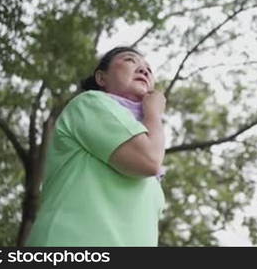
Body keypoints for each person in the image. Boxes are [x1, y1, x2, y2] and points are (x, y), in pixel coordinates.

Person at [25, 46, 166, 246]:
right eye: (130, 60)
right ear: (101, 78)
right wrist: (154, 113)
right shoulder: (90, 103)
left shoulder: (149, 140)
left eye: (149, 69)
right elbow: (148, 160)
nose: (144, 70)